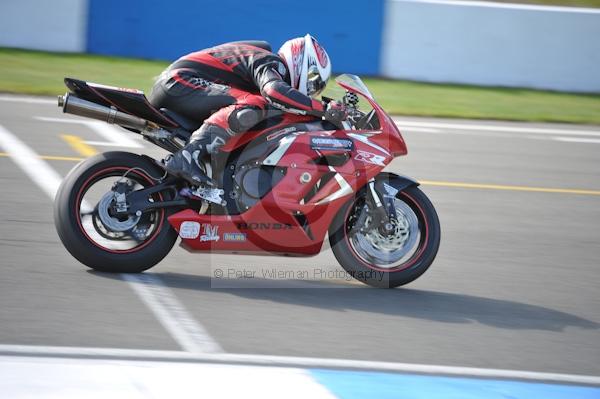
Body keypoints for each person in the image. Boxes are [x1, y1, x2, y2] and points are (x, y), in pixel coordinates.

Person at [149, 34, 342, 186]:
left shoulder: (263, 60)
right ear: (301, 62)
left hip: (181, 86)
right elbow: (274, 91)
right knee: (253, 104)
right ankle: (187, 157)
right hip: (179, 82)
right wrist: (323, 108)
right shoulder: (271, 62)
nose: (311, 92)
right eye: (313, 83)